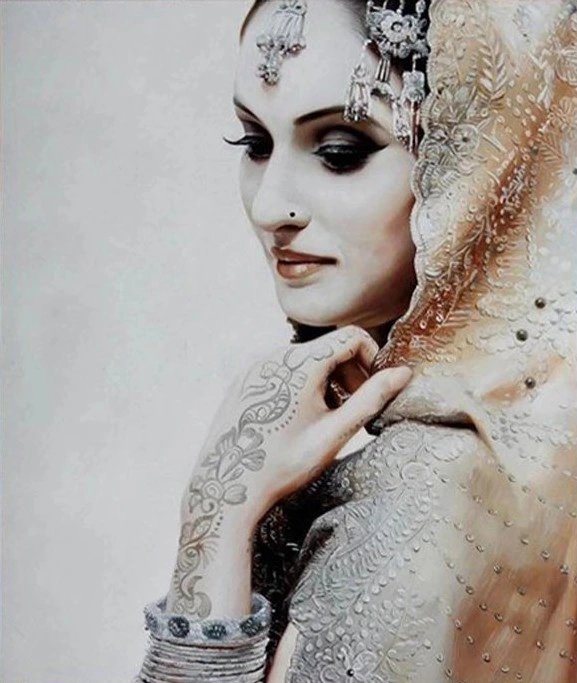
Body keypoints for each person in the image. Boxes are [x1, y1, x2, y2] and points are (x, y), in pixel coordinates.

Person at [136, 0, 577, 681]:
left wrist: (217, 520)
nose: (270, 207)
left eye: (339, 153)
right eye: (254, 144)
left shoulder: (422, 494)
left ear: (475, 164)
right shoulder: (538, 421)